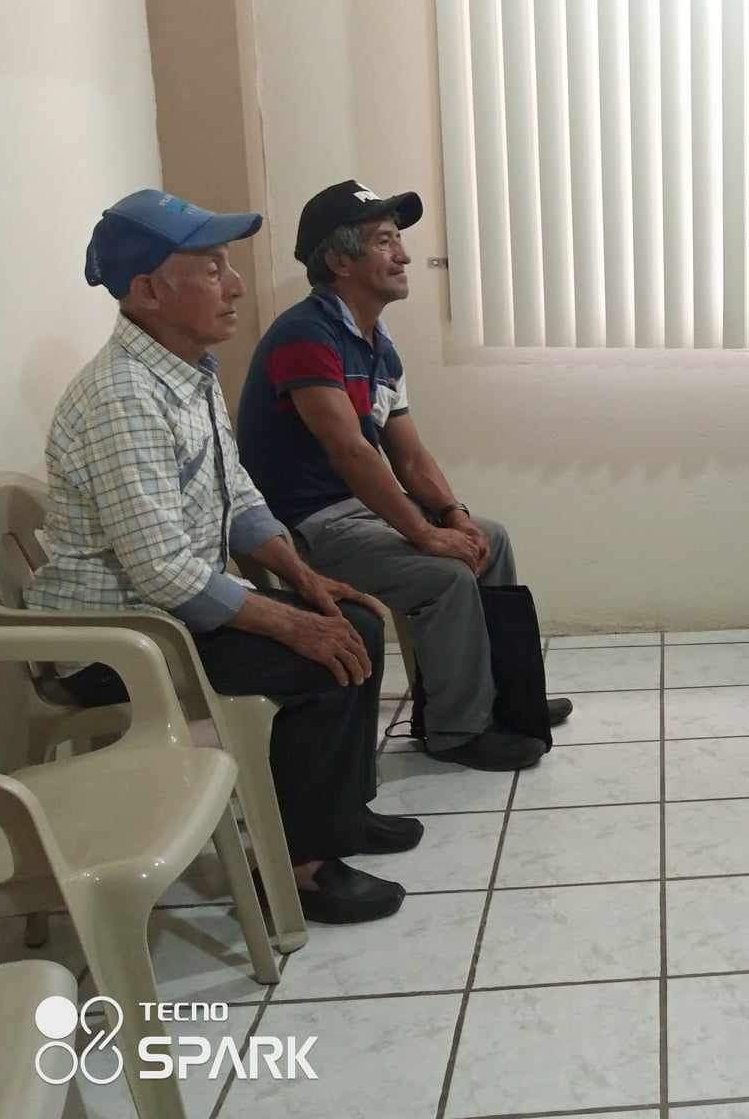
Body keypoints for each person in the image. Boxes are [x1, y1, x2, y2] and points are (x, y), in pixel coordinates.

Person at [25, 189, 417, 924]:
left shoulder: (187, 373)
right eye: (211, 269)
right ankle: (298, 869)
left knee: (353, 621)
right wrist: (294, 623)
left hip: (165, 614)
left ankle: (339, 817)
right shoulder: (125, 396)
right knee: (317, 656)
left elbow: (236, 496)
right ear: (148, 291)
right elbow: (161, 569)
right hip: (118, 642)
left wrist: (306, 581)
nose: (235, 285)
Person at [235, 181, 567, 772]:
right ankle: (456, 730)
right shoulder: (305, 337)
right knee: (443, 575)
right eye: (385, 242)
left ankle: (506, 697)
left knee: (488, 539)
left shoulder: (378, 347)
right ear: (340, 261)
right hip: (305, 527)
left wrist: (453, 515)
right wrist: (424, 534)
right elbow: (350, 452)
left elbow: (409, 456)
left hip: (355, 512)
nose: (404, 256)